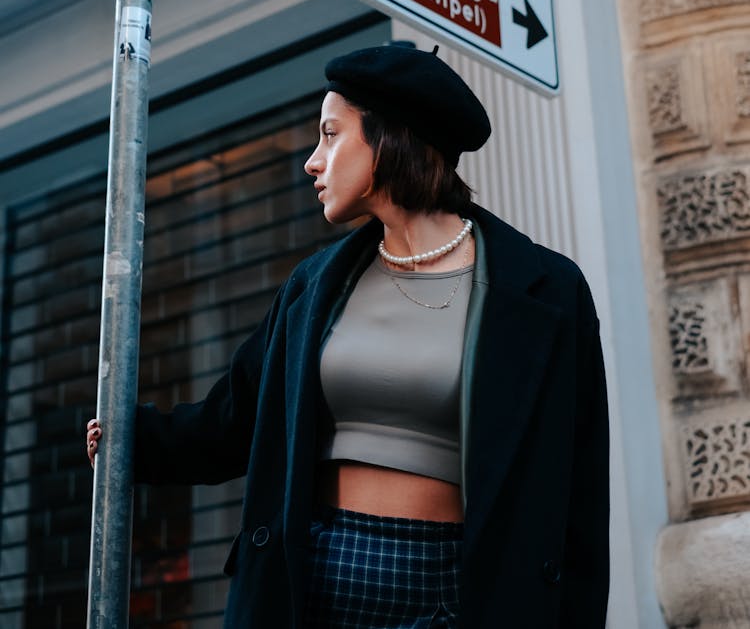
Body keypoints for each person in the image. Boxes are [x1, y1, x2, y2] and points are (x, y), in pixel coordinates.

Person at [87, 43, 609, 627]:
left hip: (460, 587)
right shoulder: (316, 285)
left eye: (331, 134)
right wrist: (129, 441)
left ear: (390, 137)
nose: (313, 160)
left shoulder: (547, 291)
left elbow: (580, 495)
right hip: (312, 580)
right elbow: (235, 419)